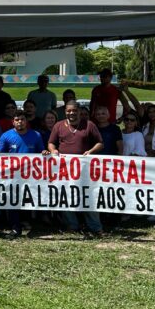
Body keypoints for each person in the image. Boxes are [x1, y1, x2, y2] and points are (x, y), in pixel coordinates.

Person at [48, 101, 104, 237]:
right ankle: (72, 226)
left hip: (85, 168)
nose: (71, 113)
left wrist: (90, 151)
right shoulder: (59, 125)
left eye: (74, 110)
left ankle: (95, 228)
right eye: (68, 111)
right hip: (65, 169)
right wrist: (53, 150)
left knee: (88, 197)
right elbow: (51, 143)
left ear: (79, 111)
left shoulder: (89, 125)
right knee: (67, 197)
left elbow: (100, 143)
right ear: (65, 111)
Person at [0, 112, 47, 237]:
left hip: (31, 175)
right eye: (17, 119)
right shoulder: (6, 136)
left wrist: (44, 152)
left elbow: (41, 150)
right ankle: (15, 228)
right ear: (13, 122)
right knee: (13, 200)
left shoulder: (36, 135)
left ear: (26, 121)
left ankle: (31, 223)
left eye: (22, 119)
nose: (20, 122)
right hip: (12, 175)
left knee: (29, 199)